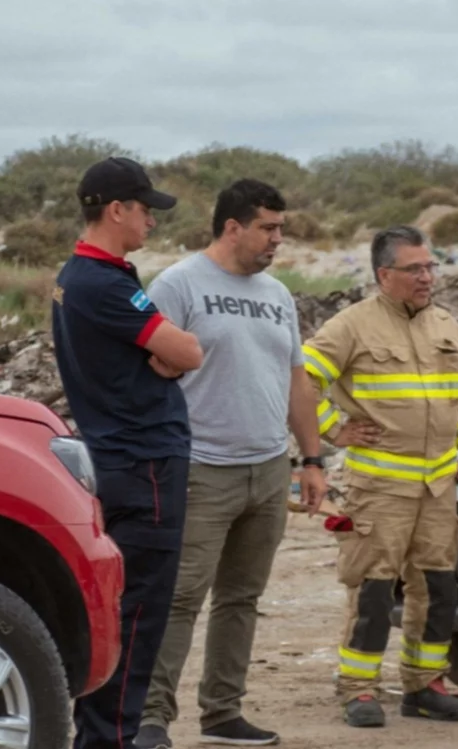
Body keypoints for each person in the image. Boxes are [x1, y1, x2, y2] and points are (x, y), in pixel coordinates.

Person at [133, 179, 329, 748]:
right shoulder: (179, 283)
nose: (277, 240)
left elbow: (296, 380)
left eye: (281, 229)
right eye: (268, 228)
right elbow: (149, 369)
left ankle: (222, 714)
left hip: (268, 469)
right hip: (200, 466)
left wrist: (311, 459)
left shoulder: (277, 294)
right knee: (179, 597)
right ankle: (149, 718)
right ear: (232, 227)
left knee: (241, 598)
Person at [302, 225, 458, 728]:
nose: (427, 276)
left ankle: (425, 685)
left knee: (438, 589)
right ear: (385, 274)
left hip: (438, 489)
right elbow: (297, 383)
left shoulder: (447, 325)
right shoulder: (352, 326)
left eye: (431, 266)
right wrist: (334, 431)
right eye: (415, 269)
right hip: (379, 489)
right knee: (373, 590)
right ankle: (359, 690)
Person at [51, 156, 205, 749]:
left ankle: (101, 735)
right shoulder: (103, 283)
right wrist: (170, 352)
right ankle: (109, 739)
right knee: (137, 617)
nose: (152, 222)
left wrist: (164, 352)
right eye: (145, 210)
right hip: (144, 467)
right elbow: (187, 352)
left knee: (119, 609)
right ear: (116, 210)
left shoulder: (82, 276)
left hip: (118, 459)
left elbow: (166, 351)